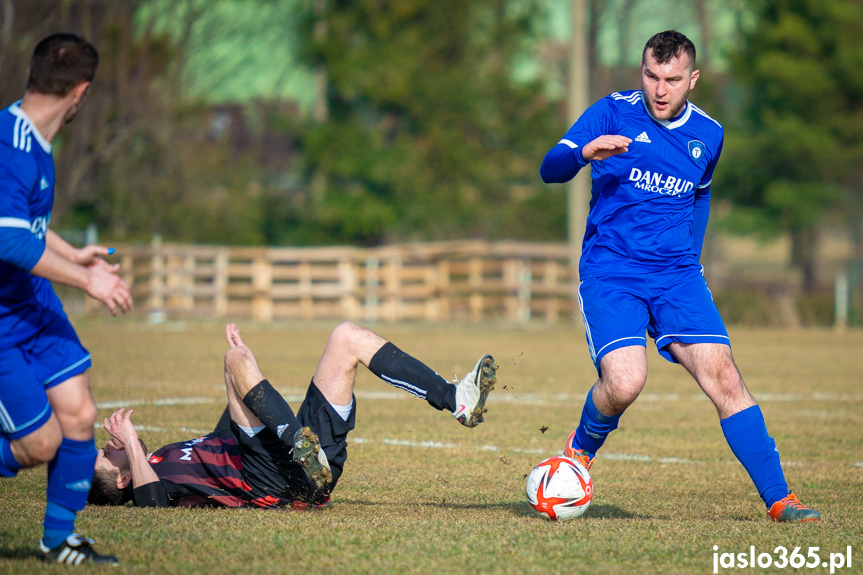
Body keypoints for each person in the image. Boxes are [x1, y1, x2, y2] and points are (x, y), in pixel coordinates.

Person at [540, 30, 819, 522]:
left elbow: (701, 195)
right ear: (641, 72)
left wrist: (691, 256)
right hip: (612, 271)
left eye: (671, 79)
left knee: (725, 376)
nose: (659, 89)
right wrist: (584, 153)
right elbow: (550, 168)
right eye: (651, 76)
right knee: (625, 382)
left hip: (676, 276)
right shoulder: (611, 111)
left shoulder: (709, 134)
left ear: (692, 80)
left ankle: (780, 499)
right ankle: (580, 449)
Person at [88, 322, 497, 509]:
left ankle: (456, 399)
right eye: (108, 455)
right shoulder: (155, 482)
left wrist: (242, 383)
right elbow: (150, 506)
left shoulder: (162, 455)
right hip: (268, 480)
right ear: (123, 479)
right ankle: (300, 445)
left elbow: (228, 430)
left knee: (346, 337)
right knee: (234, 360)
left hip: (292, 463)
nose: (109, 443)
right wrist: (239, 370)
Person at [0, 33, 133, 566]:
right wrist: (90, 282)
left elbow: (27, 226)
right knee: (39, 446)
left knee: (79, 413)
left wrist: (74, 255)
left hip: (32, 302)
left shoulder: (39, 140)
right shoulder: (9, 143)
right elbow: (6, 240)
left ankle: (59, 540)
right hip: (3, 318)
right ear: (81, 92)